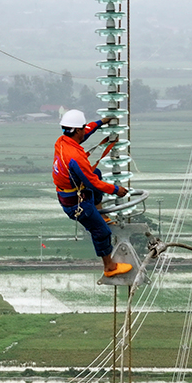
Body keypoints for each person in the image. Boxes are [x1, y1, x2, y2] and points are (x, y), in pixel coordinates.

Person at [52, 109, 131, 277]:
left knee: (97, 173)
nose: (85, 130)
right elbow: (91, 183)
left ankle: (100, 212)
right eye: (83, 128)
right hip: (76, 204)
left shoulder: (62, 141)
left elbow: (85, 132)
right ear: (78, 130)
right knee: (102, 232)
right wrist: (117, 190)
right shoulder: (75, 157)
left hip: (70, 193)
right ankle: (109, 267)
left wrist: (102, 122)